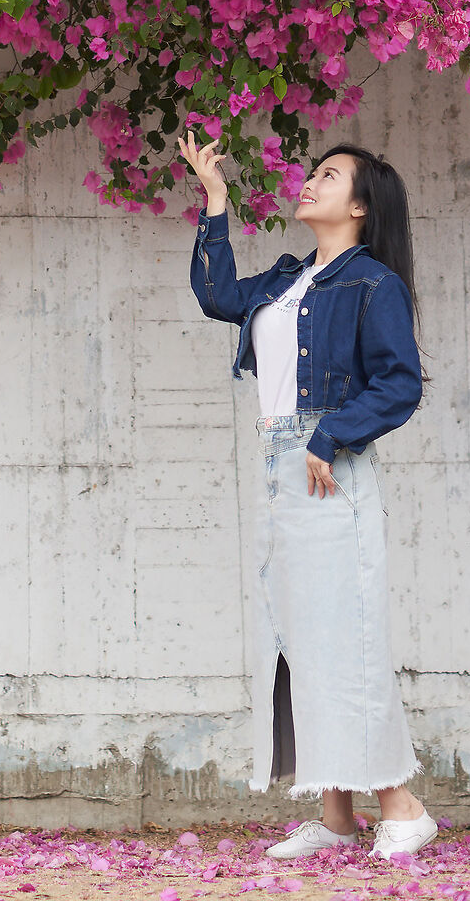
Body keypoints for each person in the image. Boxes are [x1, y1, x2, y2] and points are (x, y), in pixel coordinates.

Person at [178, 131, 438, 864]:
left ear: (360, 206)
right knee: (300, 640)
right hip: (279, 468)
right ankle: (337, 815)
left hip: (329, 470)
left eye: (329, 175)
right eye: (313, 172)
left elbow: (400, 383)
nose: (310, 181)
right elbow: (216, 295)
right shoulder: (287, 279)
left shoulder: (373, 285)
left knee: (346, 639)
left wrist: (332, 435)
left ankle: (403, 805)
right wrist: (215, 200)